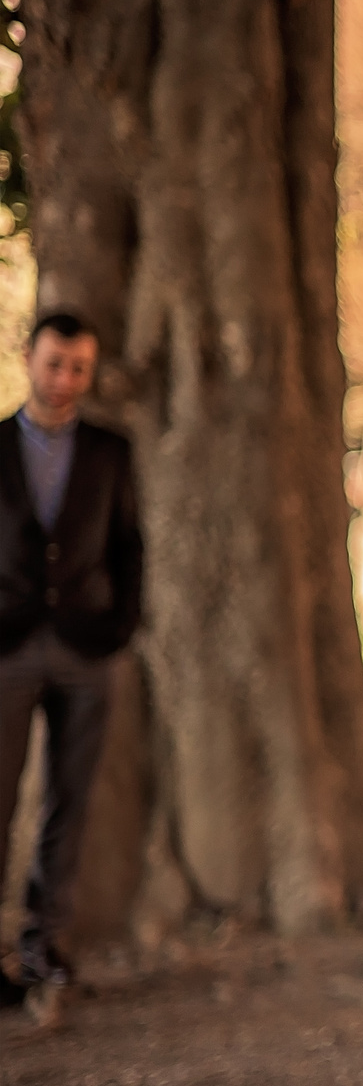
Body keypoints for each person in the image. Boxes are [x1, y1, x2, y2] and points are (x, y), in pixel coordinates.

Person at [0, 311, 141, 995]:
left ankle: (44, 946)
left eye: (79, 367)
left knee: (69, 801)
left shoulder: (112, 450)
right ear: (30, 358)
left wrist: (120, 627)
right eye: (54, 363)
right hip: (8, 651)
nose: (64, 380)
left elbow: (129, 547)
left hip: (88, 651)